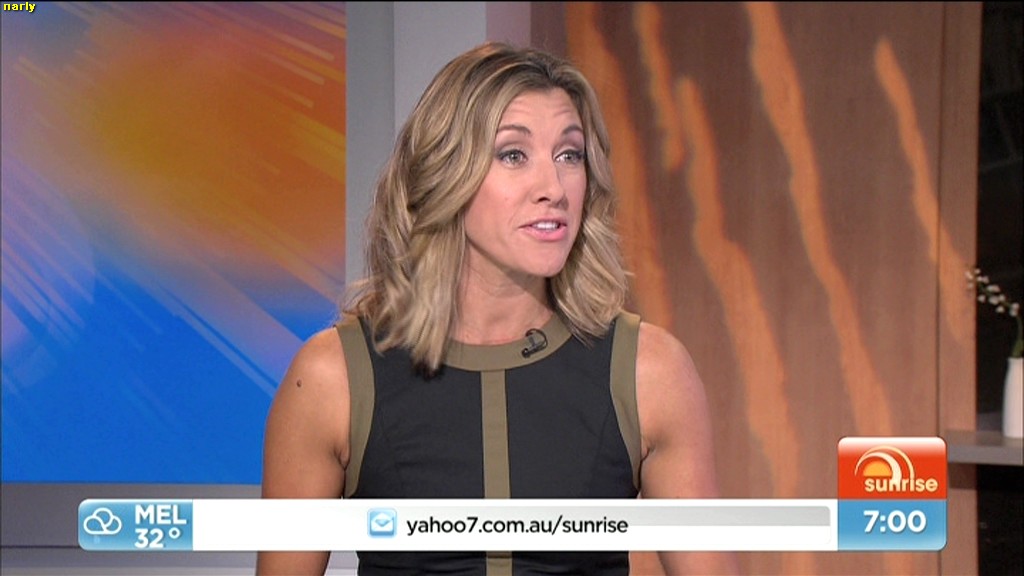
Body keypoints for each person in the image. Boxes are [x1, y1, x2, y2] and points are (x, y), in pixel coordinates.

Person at [256, 42, 734, 575]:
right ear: (446, 172)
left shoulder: (650, 373)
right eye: (513, 155)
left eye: (569, 155)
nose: (553, 188)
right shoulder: (332, 379)